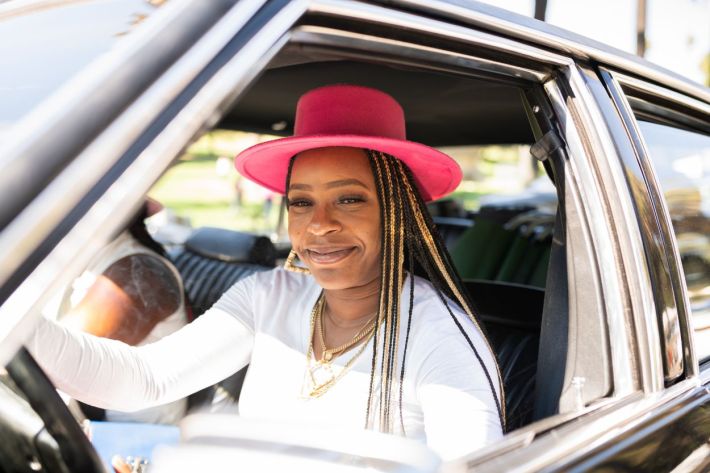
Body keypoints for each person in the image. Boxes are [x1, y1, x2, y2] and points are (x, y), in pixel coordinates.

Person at [29, 84, 504, 461]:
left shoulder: (439, 333)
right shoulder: (267, 295)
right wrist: (18, 321)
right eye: (302, 202)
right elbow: (143, 380)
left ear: (395, 211)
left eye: (349, 199)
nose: (319, 224)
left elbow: (473, 462)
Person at [55, 199, 190, 425]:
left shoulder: (139, 271)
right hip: (88, 424)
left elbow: (58, 355)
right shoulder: (82, 259)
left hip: (132, 445)